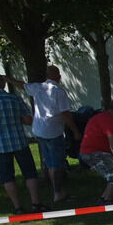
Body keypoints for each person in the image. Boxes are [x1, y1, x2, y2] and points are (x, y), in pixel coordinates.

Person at [8, 65, 80, 205]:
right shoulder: (58, 92)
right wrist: (75, 130)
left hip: (39, 130)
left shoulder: (38, 87)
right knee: (57, 164)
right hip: (53, 131)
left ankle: (56, 190)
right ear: (57, 76)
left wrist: (8, 79)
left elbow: (22, 85)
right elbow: (65, 113)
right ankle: (58, 193)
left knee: (49, 161)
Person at [0, 73, 43, 213]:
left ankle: (18, 207)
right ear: (3, 84)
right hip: (19, 140)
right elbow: (28, 121)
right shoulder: (14, 98)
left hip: (0, 144)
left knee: (7, 177)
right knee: (30, 173)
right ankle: (35, 204)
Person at [79, 99, 113, 204]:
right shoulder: (109, 121)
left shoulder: (102, 117)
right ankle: (107, 200)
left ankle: (104, 199)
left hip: (93, 151)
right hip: (93, 153)